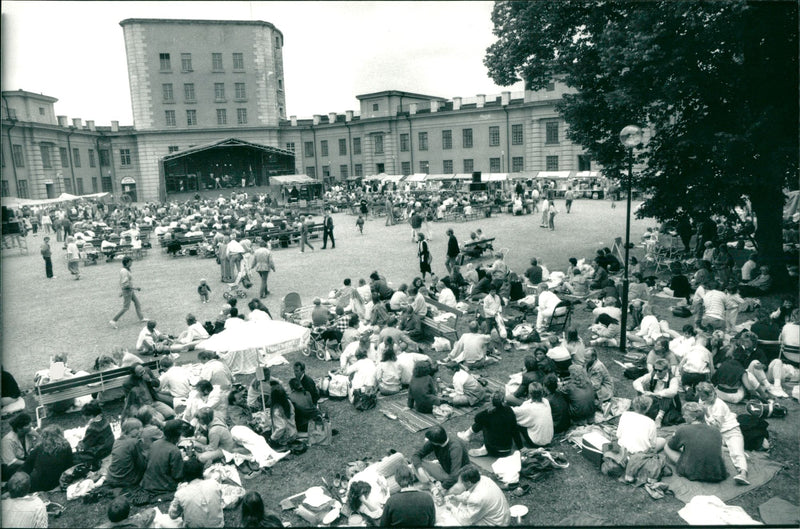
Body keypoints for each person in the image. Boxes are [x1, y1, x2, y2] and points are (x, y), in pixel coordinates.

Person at [696, 382, 749, 485]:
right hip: (715, 433)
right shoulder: (702, 400)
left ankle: (743, 474)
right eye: (700, 396)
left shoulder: (719, 405)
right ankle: (728, 448)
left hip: (730, 431)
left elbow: (716, 427)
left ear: (711, 394)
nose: (701, 399)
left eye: (703, 396)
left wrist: (707, 413)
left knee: (737, 453)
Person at [664, 402, 728, 483]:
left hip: (692, 471)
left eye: (685, 415)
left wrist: (676, 436)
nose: (683, 417)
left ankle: (688, 465)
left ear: (694, 418)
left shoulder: (683, 429)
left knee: (666, 446)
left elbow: (672, 446)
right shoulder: (715, 430)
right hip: (716, 472)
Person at [168, 458, 224, 527]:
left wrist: (177, 493)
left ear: (184, 474)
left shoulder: (181, 493)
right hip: (217, 526)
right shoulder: (214, 484)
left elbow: (172, 515)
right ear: (202, 472)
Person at [458, 391, 516, 457]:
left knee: (483, 422)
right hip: (507, 449)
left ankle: (482, 446)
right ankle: (467, 436)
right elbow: (515, 429)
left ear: (491, 401)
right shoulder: (509, 410)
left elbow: (477, 419)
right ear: (504, 400)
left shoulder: (489, 413)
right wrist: (521, 447)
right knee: (499, 426)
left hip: (493, 449)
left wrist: (487, 410)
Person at [410, 426, 470, 491]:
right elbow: (416, 455)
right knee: (416, 464)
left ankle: (434, 486)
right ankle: (429, 485)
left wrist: (442, 487)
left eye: (429, 440)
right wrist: (420, 470)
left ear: (435, 442)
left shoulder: (455, 448)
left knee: (452, 489)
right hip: (445, 469)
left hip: (459, 476)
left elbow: (455, 474)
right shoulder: (436, 442)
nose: (427, 441)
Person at [633, 358, 683, 427]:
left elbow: (673, 392)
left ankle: (659, 417)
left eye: (660, 370)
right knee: (639, 390)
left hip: (666, 402)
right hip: (654, 399)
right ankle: (641, 411)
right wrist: (642, 391)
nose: (657, 372)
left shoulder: (673, 379)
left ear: (666, 370)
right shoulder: (652, 374)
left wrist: (655, 394)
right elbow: (637, 382)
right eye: (655, 369)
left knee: (666, 394)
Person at [23, 425, 73, 492]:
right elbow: (69, 465)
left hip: (39, 482)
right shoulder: (66, 446)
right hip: (56, 481)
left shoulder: (39, 447)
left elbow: (27, 465)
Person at [141, 419, 185, 495]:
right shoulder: (174, 451)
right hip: (163, 486)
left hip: (147, 482)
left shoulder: (154, 443)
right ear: (178, 435)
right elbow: (177, 475)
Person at [73, 401, 115, 469]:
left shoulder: (93, 428)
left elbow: (85, 445)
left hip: (100, 452)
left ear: (90, 416)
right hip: (109, 446)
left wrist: (79, 443)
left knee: (74, 457)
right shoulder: (105, 420)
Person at [106, 418, 146, 489]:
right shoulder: (134, 442)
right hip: (126, 481)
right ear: (130, 430)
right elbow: (141, 464)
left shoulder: (117, 441)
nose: (141, 430)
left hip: (111, 477)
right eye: (138, 428)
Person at [512, 382, 554, 447]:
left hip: (536, 443)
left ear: (530, 394)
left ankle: (519, 445)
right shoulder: (546, 401)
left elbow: (512, 412)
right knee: (527, 419)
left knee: (515, 421)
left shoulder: (529, 408)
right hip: (548, 440)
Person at [110, 256, 146, 328]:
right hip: (127, 291)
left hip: (129, 291)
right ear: (127, 262)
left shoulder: (125, 270)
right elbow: (125, 284)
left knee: (137, 303)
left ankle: (141, 318)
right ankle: (113, 320)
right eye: (130, 262)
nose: (131, 263)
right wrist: (135, 288)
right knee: (126, 308)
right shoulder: (124, 271)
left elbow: (122, 282)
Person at [1, 412, 38, 480]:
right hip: (8, 468)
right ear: (19, 428)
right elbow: (11, 462)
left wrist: (37, 436)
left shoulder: (28, 434)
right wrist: (29, 463)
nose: (31, 425)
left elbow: (36, 448)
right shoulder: (7, 440)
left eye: (30, 423)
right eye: (27, 425)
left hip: (23, 461)